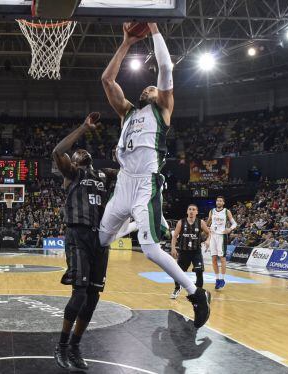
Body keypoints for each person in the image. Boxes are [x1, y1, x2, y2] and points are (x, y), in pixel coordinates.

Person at [100, 22, 210, 328]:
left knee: (149, 250)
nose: (148, 87)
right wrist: (125, 42)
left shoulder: (162, 109)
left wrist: (153, 26)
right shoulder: (127, 113)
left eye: (153, 86)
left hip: (146, 183)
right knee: (100, 239)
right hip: (124, 183)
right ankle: (99, 273)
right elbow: (107, 79)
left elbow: (164, 66)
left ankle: (196, 294)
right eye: (146, 87)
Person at [51, 113, 117, 371]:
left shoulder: (104, 175)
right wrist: (84, 128)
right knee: (79, 293)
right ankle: (61, 346)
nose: (79, 153)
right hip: (77, 235)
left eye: (81, 151)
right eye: (75, 152)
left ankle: (76, 346)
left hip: (101, 238)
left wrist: (122, 154)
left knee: (93, 296)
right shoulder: (71, 174)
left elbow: (129, 175)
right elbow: (58, 150)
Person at [170, 204, 211, 299]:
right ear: (187, 211)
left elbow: (209, 233)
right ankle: (177, 288)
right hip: (184, 251)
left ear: (197, 212)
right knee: (178, 272)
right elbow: (175, 236)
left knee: (199, 271)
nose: (191, 211)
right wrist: (173, 248)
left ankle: (198, 292)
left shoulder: (200, 222)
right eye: (190, 209)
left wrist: (208, 240)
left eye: (194, 209)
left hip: (196, 251)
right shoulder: (181, 222)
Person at [207, 196, 238, 290]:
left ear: (223, 203)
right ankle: (217, 279)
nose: (219, 202)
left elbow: (234, 223)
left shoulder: (226, 211)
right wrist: (206, 227)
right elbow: (208, 222)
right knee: (213, 259)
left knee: (222, 258)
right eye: (217, 200)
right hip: (213, 236)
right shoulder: (212, 211)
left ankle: (223, 279)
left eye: (220, 201)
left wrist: (229, 229)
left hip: (221, 236)